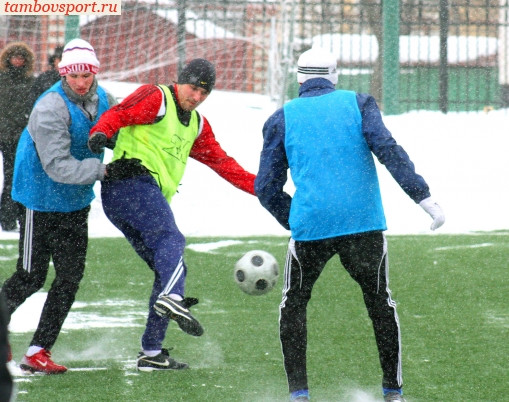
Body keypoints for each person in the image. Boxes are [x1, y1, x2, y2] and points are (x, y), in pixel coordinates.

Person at [254, 47, 446, 402]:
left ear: (299, 78)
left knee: (293, 305)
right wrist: (423, 197)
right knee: (379, 303)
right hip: (363, 223)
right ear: (334, 76)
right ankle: (393, 391)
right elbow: (389, 150)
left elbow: (265, 187)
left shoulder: (282, 117)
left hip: (312, 227)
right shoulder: (359, 104)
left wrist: (293, 216)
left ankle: (299, 394)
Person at [87, 58, 256, 371]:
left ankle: (151, 352)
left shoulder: (197, 124)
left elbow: (223, 163)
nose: (197, 96)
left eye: (205, 92)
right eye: (193, 88)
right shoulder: (156, 98)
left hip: (140, 198)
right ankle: (173, 299)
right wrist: (100, 132)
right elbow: (118, 114)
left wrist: (262, 189)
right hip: (128, 183)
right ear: (181, 81)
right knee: (171, 239)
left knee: (170, 268)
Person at [0, 38, 117, 374]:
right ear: (63, 74)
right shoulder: (50, 107)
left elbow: (118, 128)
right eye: (74, 75)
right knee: (30, 275)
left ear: (94, 73)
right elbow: (58, 166)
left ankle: (38, 351)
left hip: (75, 201)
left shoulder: (104, 97)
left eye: (87, 75)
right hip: (39, 198)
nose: (81, 82)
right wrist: (106, 170)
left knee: (69, 277)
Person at [0, 42, 35, 232]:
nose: (18, 61)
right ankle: (7, 217)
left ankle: (10, 217)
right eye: (15, 57)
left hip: (18, 136)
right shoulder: (2, 79)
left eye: (22, 58)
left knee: (14, 176)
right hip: (5, 133)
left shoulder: (30, 81)